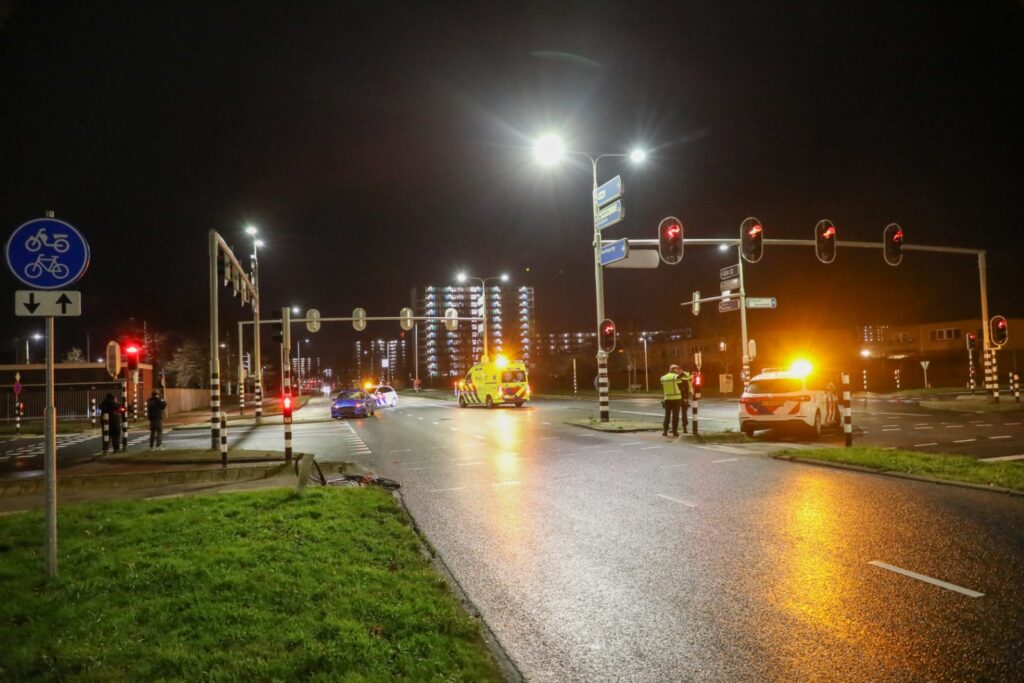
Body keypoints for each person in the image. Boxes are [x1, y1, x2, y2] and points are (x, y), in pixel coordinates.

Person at [660, 364, 685, 438]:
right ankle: (675, 432)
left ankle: (665, 431)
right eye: (677, 369)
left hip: (667, 399)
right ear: (674, 369)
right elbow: (681, 386)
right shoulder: (676, 377)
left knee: (667, 415)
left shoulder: (663, 378)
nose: (677, 370)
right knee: (675, 416)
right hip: (676, 399)